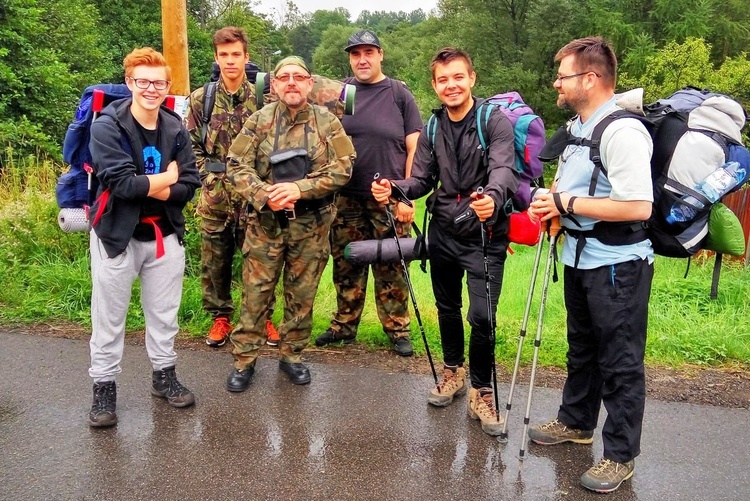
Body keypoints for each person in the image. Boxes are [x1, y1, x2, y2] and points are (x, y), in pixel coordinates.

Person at [527, 37, 654, 493]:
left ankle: (620, 455)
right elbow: (575, 190)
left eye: (563, 75)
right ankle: (576, 422)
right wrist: (553, 208)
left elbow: (639, 206)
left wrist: (565, 201)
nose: (556, 83)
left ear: (590, 78)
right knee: (581, 348)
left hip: (619, 265)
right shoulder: (578, 128)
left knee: (619, 361)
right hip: (579, 258)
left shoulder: (623, 132)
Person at [371, 47, 518, 437]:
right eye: (442, 80)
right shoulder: (433, 128)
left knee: (483, 315)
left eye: (458, 77)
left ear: (472, 78)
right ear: (435, 85)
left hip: (485, 231)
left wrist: (494, 197)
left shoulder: (493, 120)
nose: (451, 85)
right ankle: (452, 372)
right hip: (444, 231)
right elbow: (421, 180)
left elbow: (504, 168)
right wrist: (394, 188)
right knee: (447, 307)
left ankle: (481, 389)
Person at [224, 56, 355, 390]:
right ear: (275, 84)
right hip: (266, 225)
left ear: (310, 84)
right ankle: (244, 361)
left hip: (311, 226)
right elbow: (235, 164)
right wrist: (264, 193)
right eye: (285, 77)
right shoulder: (259, 121)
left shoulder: (328, 123)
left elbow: (344, 167)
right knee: (255, 295)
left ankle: (292, 356)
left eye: (299, 77)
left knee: (302, 295)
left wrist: (301, 188)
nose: (292, 83)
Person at [87, 47, 201, 427]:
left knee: (164, 314)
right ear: (129, 83)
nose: (150, 89)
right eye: (142, 81)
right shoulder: (106, 125)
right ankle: (104, 388)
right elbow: (120, 185)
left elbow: (190, 186)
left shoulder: (174, 127)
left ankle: (163, 375)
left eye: (158, 82)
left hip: (163, 233)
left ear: (168, 86)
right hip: (116, 235)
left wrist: (155, 184)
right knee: (109, 317)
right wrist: (166, 178)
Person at [315, 29, 423, 356]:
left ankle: (398, 330)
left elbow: (414, 144)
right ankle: (343, 327)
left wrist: (406, 195)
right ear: (350, 58)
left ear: (380, 55)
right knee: (346, 264)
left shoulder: (399, 94)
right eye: (355, 54)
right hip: (345, 195)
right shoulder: (340, 93)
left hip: (388, 195)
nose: (362, 59)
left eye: (368, 53)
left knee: (392, 265)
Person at [185, 26, 279, 349]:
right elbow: (191, 146)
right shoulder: (202, 99)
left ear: (245, 57)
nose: (230, 61)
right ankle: (220, 318)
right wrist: (207, 178)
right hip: (216, 195)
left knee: (260, 260)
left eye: (235, 54)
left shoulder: (264, 99)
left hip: (253, 196)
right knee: (215, 260)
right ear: (216, 58)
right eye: (223, 55)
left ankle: (263, 317)